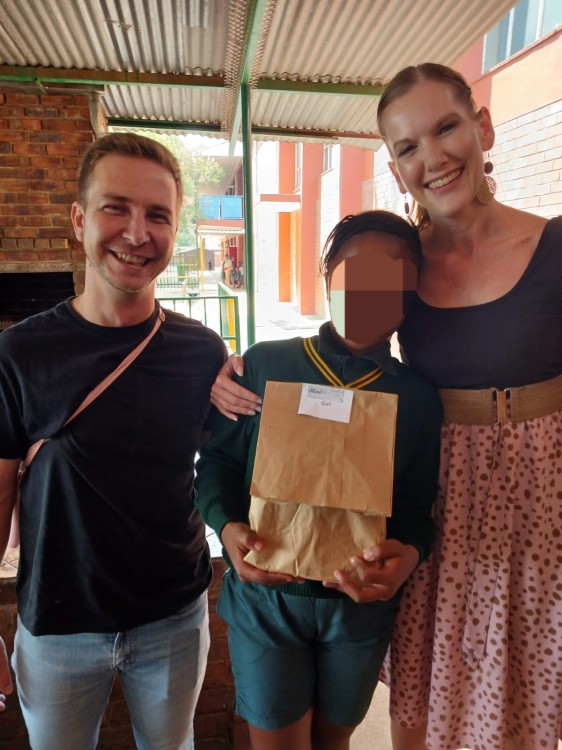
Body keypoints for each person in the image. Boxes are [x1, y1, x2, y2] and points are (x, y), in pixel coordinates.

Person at [209, 63, 562, 750]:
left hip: (536, 498)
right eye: (407, 147)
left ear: (483, 127)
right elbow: (347, 348)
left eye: (446, 128)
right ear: (396, 170)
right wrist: (229, 372)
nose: (433, 157)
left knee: (520, 686)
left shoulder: (552, 246)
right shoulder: (401, 260)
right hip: (430, 492)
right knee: (426, 697)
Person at [0, 133, 227, 749]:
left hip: (174, 619)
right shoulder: (20, 353)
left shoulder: (202, 352)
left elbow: (223, 468)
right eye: (115, 208)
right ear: (79, 220)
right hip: (56, 626)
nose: (137, 232)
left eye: (158, 215)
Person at [194, 210, 442, 750]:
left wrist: (409, 554)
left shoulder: (418, 398)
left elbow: (418, 510)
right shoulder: (265, 365)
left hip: (359, 610)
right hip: (266, 602)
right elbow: (216, 466)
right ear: (328, 278)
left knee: (333, 742)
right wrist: (227, 528)